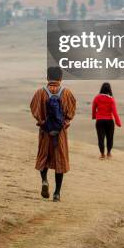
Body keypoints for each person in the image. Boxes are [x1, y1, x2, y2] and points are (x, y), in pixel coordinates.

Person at [30, 65, 76, 202]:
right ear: (61, 78)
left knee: (43, 157)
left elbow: (34, 109)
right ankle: (57, 193)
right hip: (60, 133)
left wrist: (43, 122)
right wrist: (65, 122)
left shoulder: (40, 93)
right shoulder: (67, 93)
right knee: (60, 160)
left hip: (45, 132)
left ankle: (44, 180)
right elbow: (71, 111)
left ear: (47, 77)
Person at [91, 82, 121, 159]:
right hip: (109, 121)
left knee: (100, 138)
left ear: (102, 89)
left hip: (100, 121)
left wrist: (94, 116)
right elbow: (115, 112)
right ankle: (108, 153)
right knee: (110, 138)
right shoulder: (111, 99)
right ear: (109, 90)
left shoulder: (97, 98)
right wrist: (118, 122)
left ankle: (102, 154)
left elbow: (93, 108)